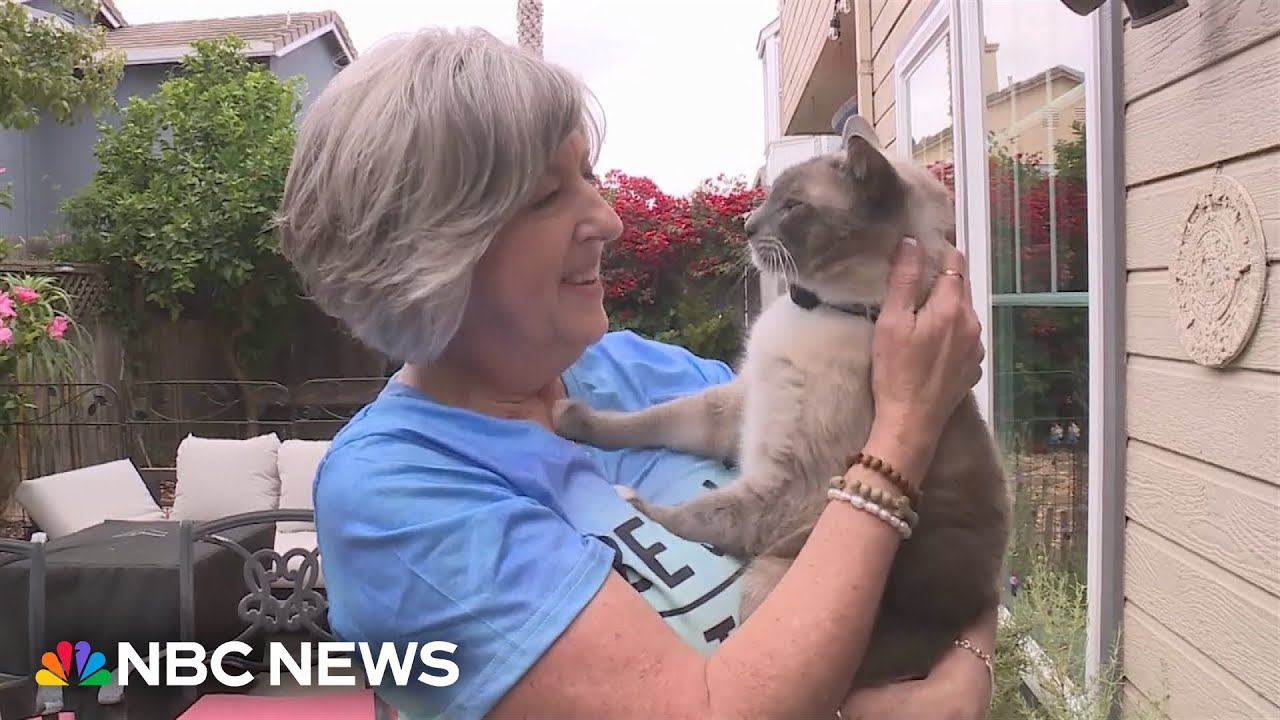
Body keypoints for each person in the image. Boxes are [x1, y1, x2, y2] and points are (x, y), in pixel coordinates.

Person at [277, 27, 997, 720]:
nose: (610, 219)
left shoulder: (639, 375)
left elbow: (938, 524)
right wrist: (907, 427)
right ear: (429, 253)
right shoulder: (396, 495)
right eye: (546, 195)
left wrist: (967, 660)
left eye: (588, 174)